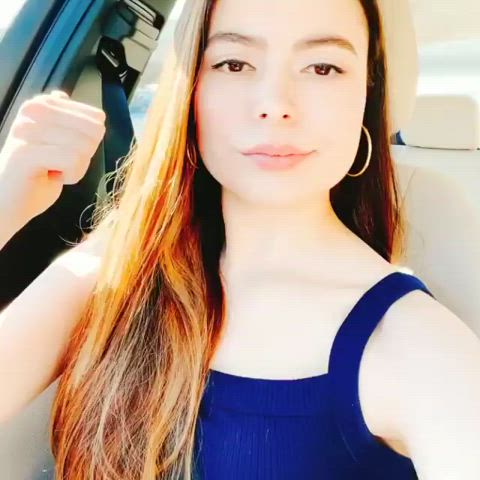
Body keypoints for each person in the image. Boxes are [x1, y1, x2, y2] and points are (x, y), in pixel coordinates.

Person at [0, 0, 479, 478]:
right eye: (234, 64)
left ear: (366, 97)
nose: (275, 105)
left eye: (322, 68)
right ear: (192, 88)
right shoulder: (118, 268)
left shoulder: (416, 345)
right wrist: (8, 202)